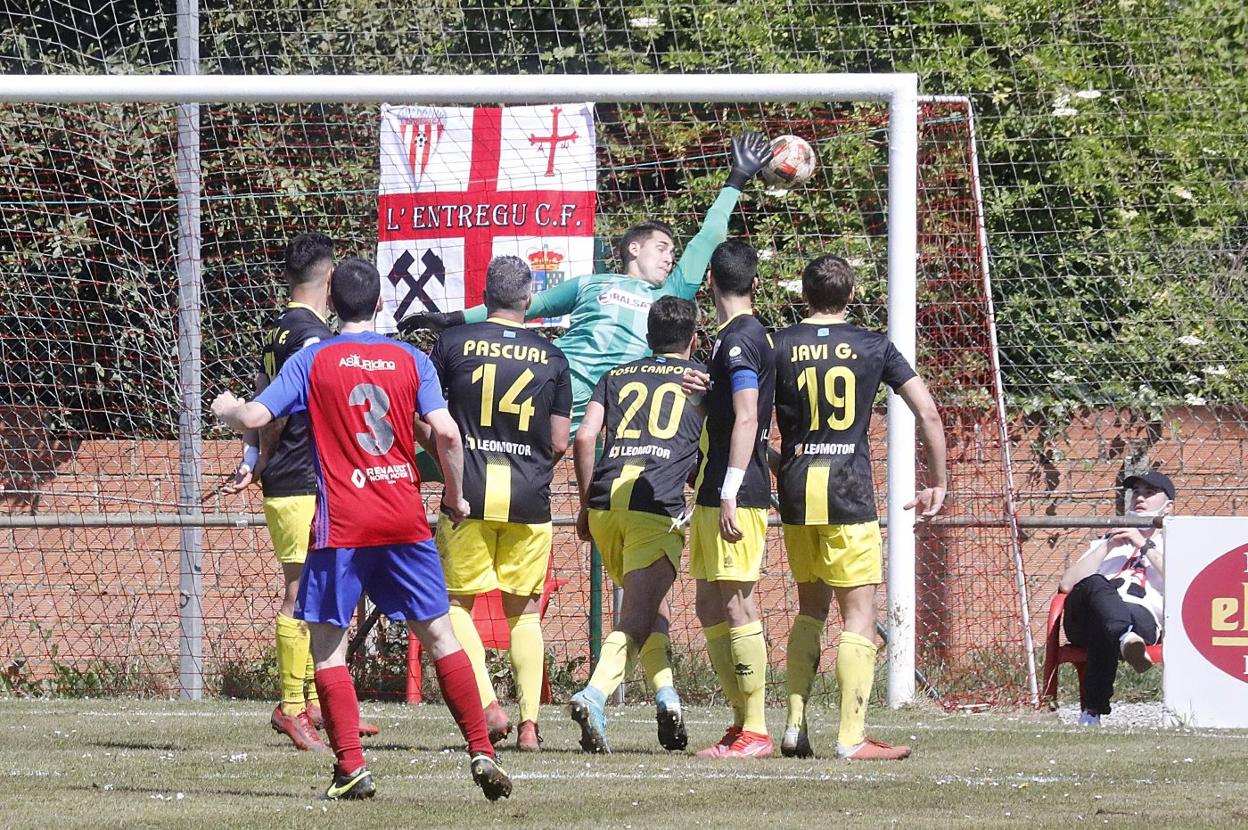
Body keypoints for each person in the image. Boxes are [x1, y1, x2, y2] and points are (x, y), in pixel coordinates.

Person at [211, 258, 511, 802]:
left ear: (332, 298)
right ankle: (480, 750)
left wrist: (228, 408)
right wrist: (456, 493)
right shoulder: (411, 357)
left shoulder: (313, 359)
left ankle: (351, 767)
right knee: (441, 636)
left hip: (342, 523)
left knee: (327, 646)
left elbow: (257, 419)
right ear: (379, 303)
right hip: (403, 518)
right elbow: (445, 433)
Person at [398, 131, 774, 431]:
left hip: (609, 406)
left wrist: (736, 179)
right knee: (460, 434)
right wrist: (452, 320)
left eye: (672, 251)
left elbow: (707, 238)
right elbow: (521, 306)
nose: (669, 256)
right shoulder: (590, 284)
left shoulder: (669, 295)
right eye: (661, 247)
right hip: (551, 386)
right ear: (632, 249)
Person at [771, 254, 946, 761]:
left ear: (803, 295)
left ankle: (794, 725)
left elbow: (751, 421)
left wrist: (784, 459)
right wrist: (938, 482)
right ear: (851, 297)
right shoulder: (873, 345)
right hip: (849, 489)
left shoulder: (778, 344)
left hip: (798, 487)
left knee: (809, 610)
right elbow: (928, 412)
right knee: (859, 616)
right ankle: (850, 737)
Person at [222, 232, 376, 751]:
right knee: (298, 596)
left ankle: (314, 702)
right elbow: (274, 411)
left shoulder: (276, 329)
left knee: (314, 595)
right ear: (331, 281)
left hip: (293, 479)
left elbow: (258, 402)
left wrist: (251, 459)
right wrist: (261, 458)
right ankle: (292, 707)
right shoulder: (310, 337)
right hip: (300, 480)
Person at [428, 255, 573, 753]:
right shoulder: (552, 357)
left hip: (466, 493)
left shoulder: (450, 343)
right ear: (528, 299)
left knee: (456, 605)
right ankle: (531, 725)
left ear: (484, 296)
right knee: (525, 614)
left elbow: (431, 424)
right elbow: (558, 441)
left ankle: (489, 703)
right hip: (528, 495)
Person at [568, 296, 705, 754]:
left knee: (650, 608)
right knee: (635, 616)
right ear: (693, 339)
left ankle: (667, 696)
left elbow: (586, 436)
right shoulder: (699, 381)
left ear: (648, 337)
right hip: (655, 506)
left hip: (607, 501)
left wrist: (586, 505)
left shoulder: (617, 376)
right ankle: (595, 694)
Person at [681, 240, 776, 759]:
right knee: (710, 602)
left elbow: (748, 416)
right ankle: (740, 723)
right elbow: (731, 407)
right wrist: (704, 391)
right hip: (718, 489)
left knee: (738, 603)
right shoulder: (733, 340)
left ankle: (756, 729)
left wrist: (732, 490)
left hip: (733, 491)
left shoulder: (739, 340)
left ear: (710, 282)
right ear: (754, 283)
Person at [1058, 469, 1173, 727]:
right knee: (1097, 584)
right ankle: (1124, 636)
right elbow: (1067, 584)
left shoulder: (1174, 543)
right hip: (1086, 619)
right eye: (1137, 493)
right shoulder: (1106, 542)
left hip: (1141, 618)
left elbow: (1183, 582)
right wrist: (1108, 546)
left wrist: (1143, 545)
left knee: (1107, 622)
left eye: (1149, 493)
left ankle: (1091, 713)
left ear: (1168, 507)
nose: (1140, 498)